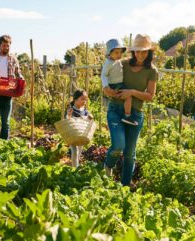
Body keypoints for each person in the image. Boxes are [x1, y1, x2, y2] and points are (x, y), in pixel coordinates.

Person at [103, 34, 158, 186]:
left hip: (135, 114)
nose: (140, 55)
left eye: (144, 51)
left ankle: (125, 187)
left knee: (129, 154)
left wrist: (132, 92)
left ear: (149, 52)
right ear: (133, 51)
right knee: (118, 145)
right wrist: (106, 89)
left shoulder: (151, 71)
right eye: (137, 51)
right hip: (116, 109)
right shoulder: (122, 63)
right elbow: (105, 74)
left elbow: (150, 96)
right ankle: (108, 165)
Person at [101, 39, 137, 126]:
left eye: (120, 52)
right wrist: (106, 86)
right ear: (110, 53)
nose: (119, 55)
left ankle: (124, 114)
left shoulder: (116, 60)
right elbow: (103, 75)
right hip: (115, 85)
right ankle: (127, 116)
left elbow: (122, 61)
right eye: (116, 52)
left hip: (119, 84)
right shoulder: (108, 63)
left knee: (124, 96)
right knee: (128, 97)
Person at [66, 90, 93, 167]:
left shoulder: (84, 111)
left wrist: (90, 117)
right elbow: (67, 120)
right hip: (72, 134)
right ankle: (75, 170)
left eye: (86, 99)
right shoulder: (71, 110)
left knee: (79, 152)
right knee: (75, 151)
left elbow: (89, 119)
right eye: (82, 99)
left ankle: (75, 167)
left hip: (81, 134)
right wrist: (69, 115)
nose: (84, 101)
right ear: (75, 99)